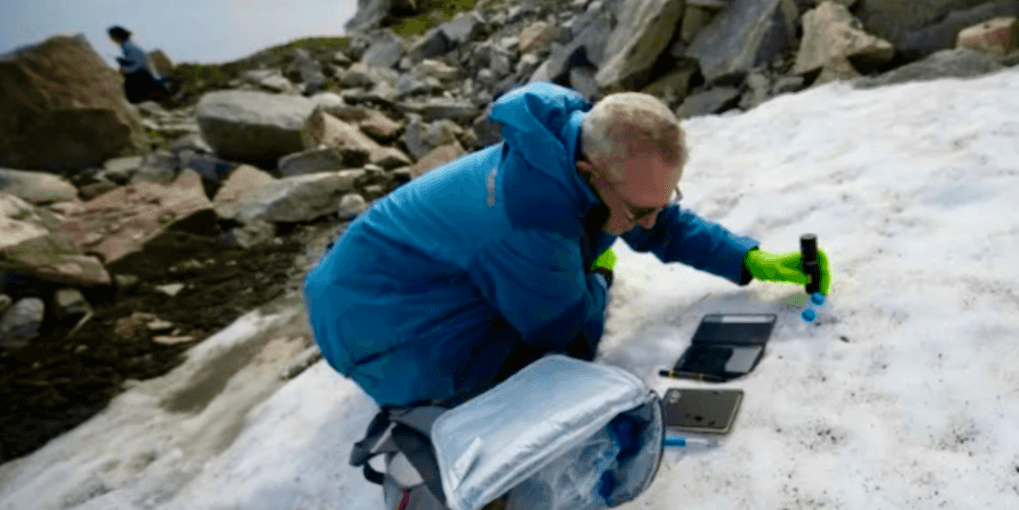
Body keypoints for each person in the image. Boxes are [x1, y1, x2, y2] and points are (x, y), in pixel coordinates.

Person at [302, 83, 831, 409]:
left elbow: (660, 223)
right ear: (588, 174)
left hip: (383, 277)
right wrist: (598, 276)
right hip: (369, 326)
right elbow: (565, 336)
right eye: (641, 210)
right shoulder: (529, 221)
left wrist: (749, 258)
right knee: (527, 367)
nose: (652, 219)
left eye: (664, 199)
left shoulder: (576, 151)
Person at [107, 25, 171, 103]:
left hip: (141, 74)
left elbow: (139, 61)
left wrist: (126, 70)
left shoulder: (127, 46)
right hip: (142, 73)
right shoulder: (127, 45)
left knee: (132, 96)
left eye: (111, 36)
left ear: (116, 36)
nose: (111, 39)